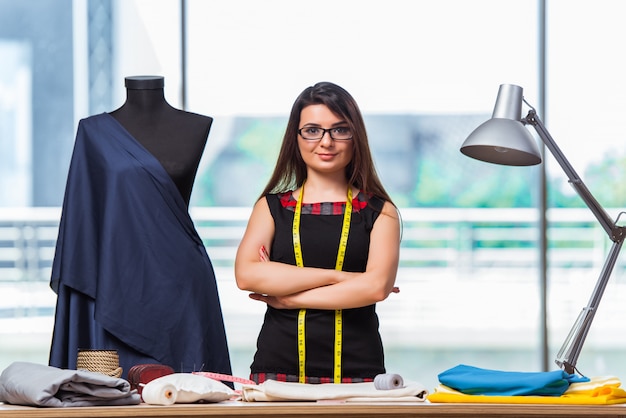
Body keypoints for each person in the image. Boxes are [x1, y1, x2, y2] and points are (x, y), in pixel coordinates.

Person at [49, 76, 232, 379]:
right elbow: (82, 217)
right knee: (109, 394)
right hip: (113, 281)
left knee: (189, 394)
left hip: (182, 286)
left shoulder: (196, 126)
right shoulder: (93, 134)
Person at [234, 81, 401, 384]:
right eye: (312, 130)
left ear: (355, 137)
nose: (326, 142)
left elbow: (375, 289)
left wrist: (289, 297)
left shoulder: (381, 211)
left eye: (339, 129)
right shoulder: (270, 207)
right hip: (276, 373)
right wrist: (344, 278)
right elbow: (247, 276)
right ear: (295, 138)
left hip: (358, 375)